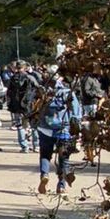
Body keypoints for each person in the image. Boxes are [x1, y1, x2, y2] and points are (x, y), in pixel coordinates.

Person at [36, 67, 82, 197]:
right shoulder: (67, 92)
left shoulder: (41, 90)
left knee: (45, 154)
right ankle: (61, 186)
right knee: (64, 158)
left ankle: (44, 174)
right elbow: (76, 112)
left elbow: (32, 107)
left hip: (44, 128)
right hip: (63, 128)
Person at [5, 60, 39, 153]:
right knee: (34, 125)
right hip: (30, 105)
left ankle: (24, 147)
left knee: (20, 126)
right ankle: (36, 145)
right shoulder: (30, 78)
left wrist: (9, 103)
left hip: (16, 106)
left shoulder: (12, 78)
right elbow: (38, 88)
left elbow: (8, 92)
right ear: (24, 67)